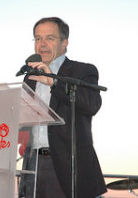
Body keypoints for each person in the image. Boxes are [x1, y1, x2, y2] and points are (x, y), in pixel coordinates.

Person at [19, 17, 107, 198]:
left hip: (68, 166)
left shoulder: (82, 71)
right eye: (37, 38)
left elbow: (92, 105)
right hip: (33, 164)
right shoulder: (29, 77)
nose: (42, 44)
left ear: (64, 43)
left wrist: (54, 82)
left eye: (49, 38)